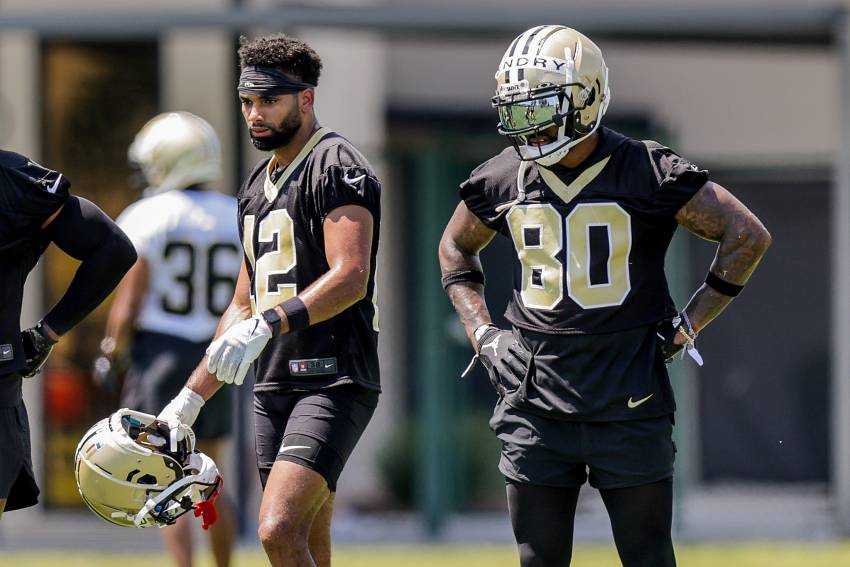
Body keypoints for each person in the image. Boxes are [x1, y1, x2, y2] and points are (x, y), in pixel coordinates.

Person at [438, 26, 771, 567]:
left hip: (627, 394)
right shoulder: (502, 176)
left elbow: (747, 235)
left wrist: (690, 322)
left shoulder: (646, 168)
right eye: (519, 109)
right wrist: (483, 332)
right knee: (537, 560)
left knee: (647, 557)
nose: (530, 125)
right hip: (534, 393)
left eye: (541, 107)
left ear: (586, 97)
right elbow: (454, 246)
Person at [156, 34, 381, 567]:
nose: (255, 114)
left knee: (276, 529)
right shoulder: (257, 184)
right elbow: (241, 303)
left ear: (305, 99)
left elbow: (351, 275)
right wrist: (189, 399)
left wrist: (268, 324)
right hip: (273, 384)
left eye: (269, 100)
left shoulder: (336, 163)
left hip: (332, 377)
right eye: (247, 102)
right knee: (306, 540)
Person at [93, 111, 238, 567]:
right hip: (218, 351)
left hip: (162, 353)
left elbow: (129, 301)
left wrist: (111, 351)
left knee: (165, 478)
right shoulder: (236, 212)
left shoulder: (148, 215)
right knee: (211, 474)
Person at [0, 150, 136, 518]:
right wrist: (46, 334)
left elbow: (113, 249)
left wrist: (47, 332)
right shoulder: (13, 179)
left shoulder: (14, 181)